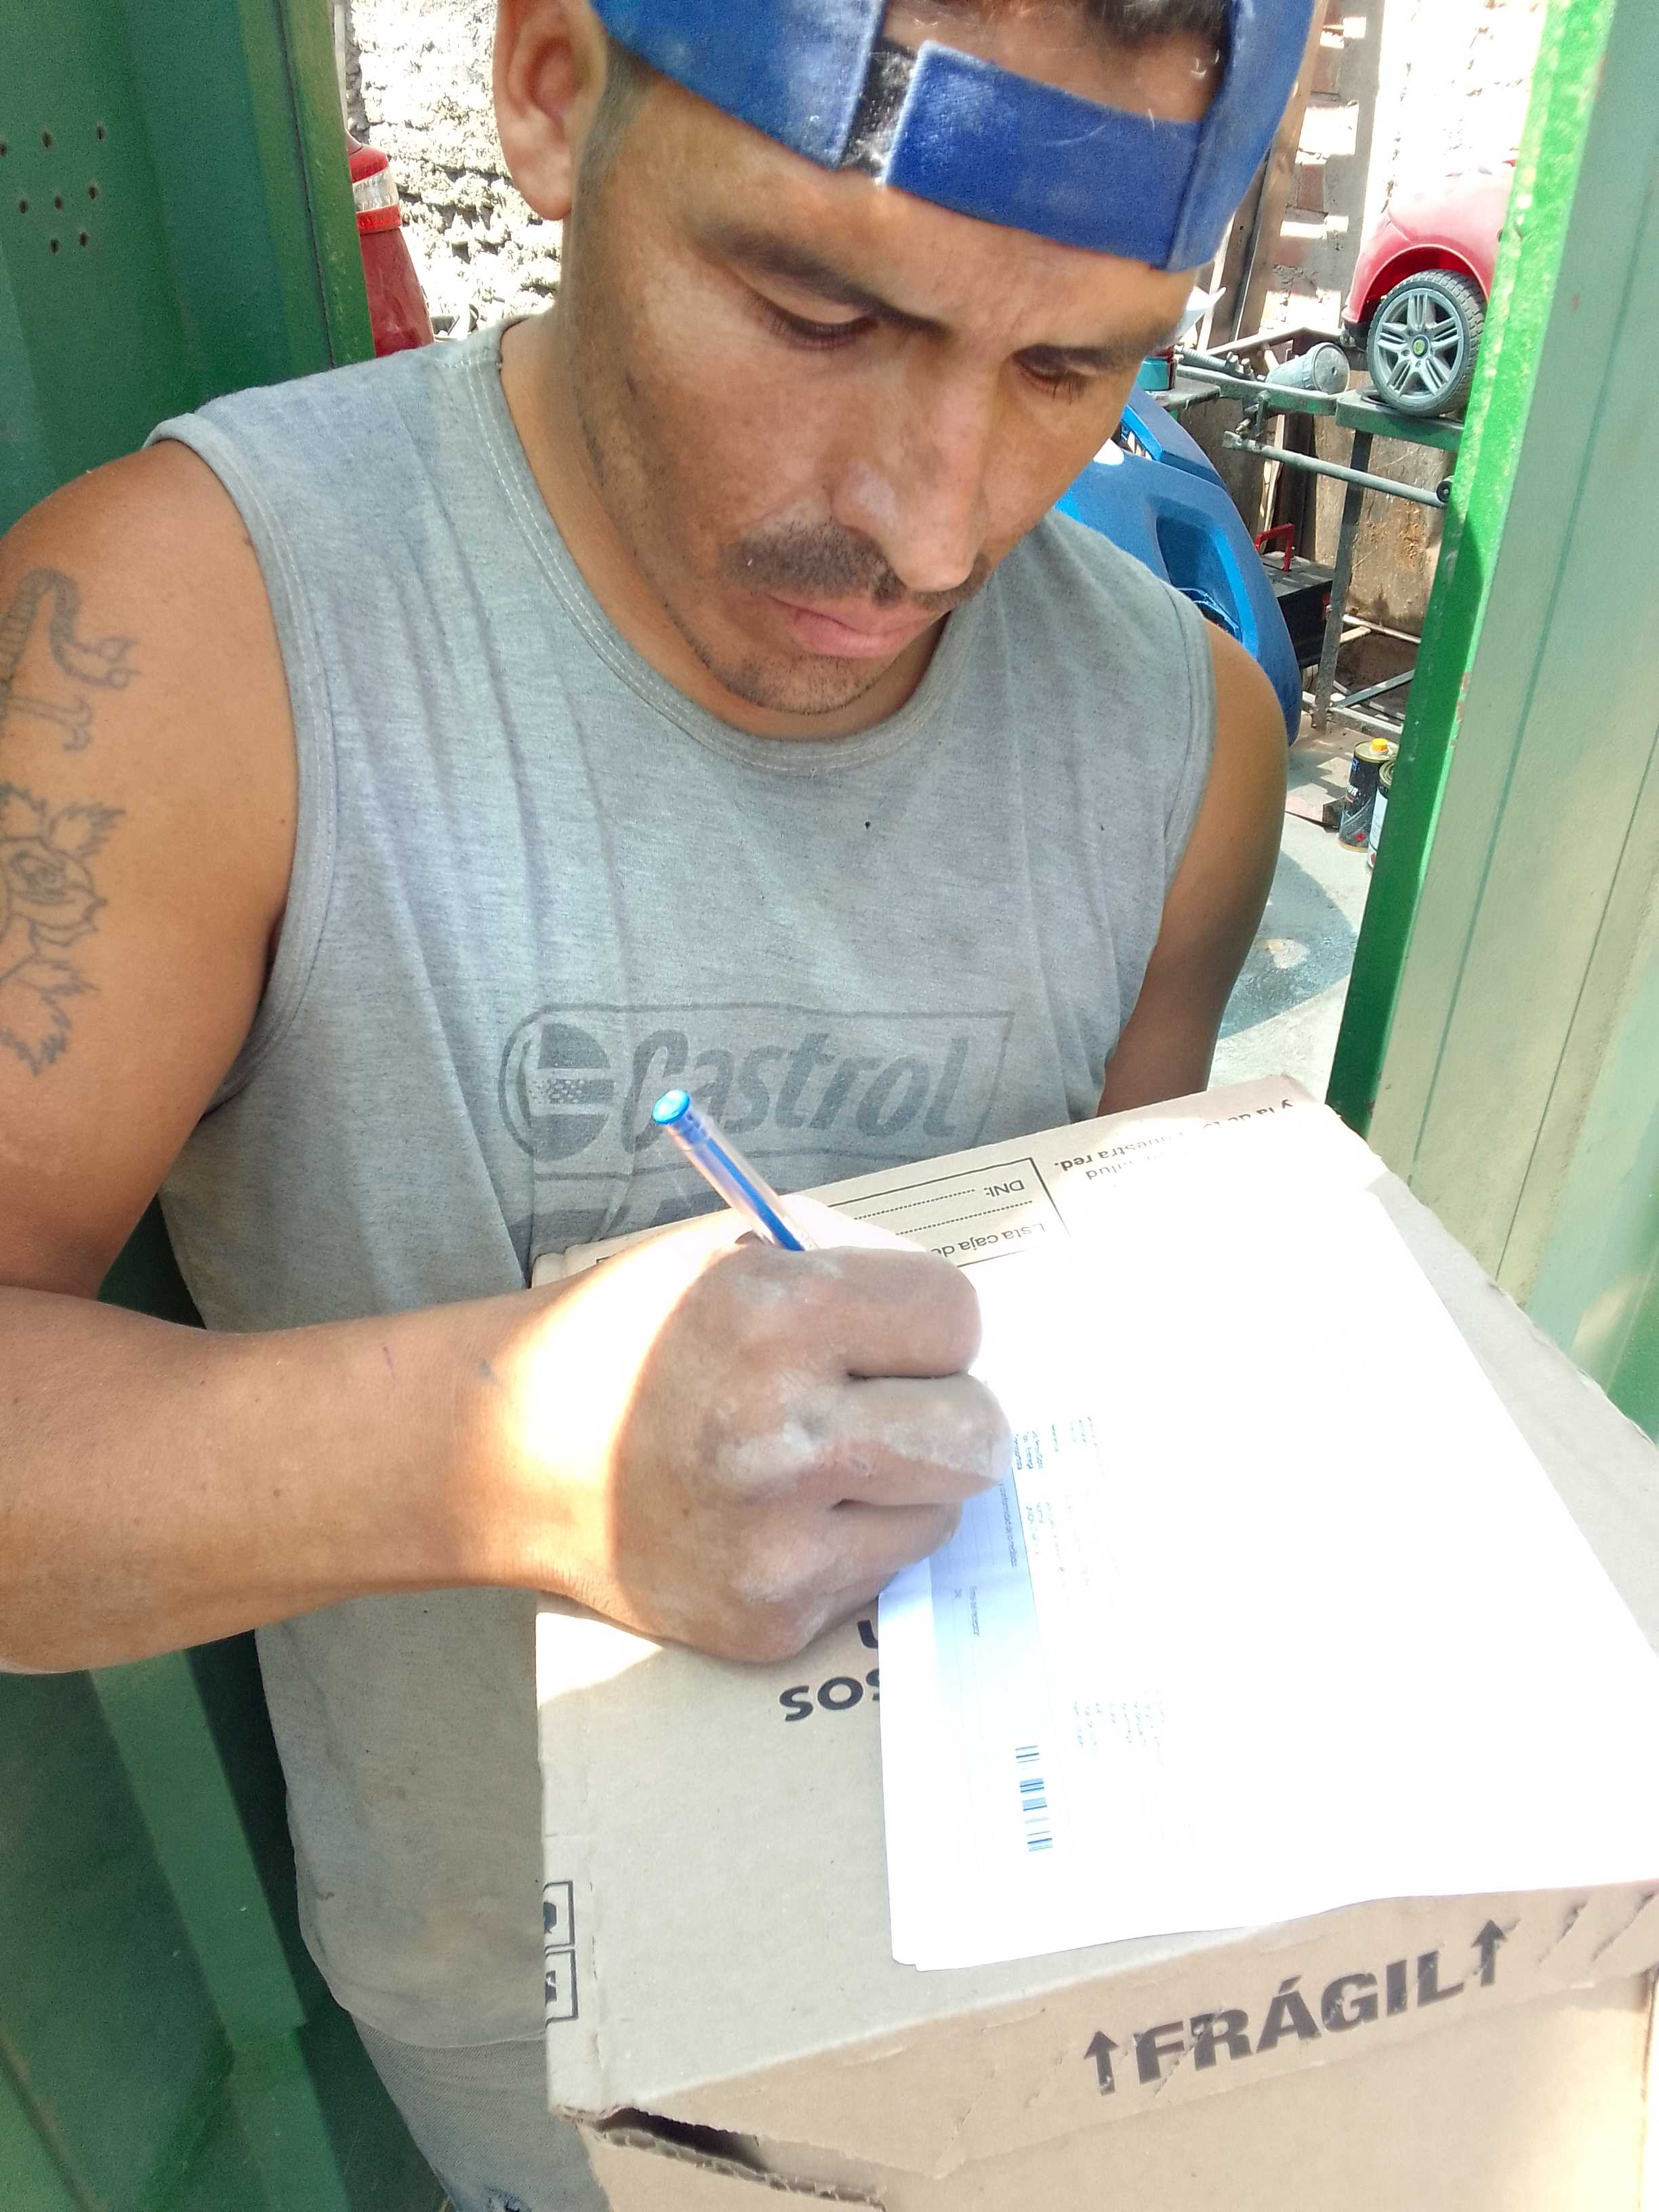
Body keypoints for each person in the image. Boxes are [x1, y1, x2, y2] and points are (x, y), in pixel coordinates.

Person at [0, 0, 1302, 2202]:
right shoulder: (189, 635)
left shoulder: (1188, 743)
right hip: (533, 2025)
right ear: (551, 88)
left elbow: (1100, 1382)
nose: (930, 527)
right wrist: (499, 1447)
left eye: (1073, 371)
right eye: (820, 312)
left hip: (1030, 1965)